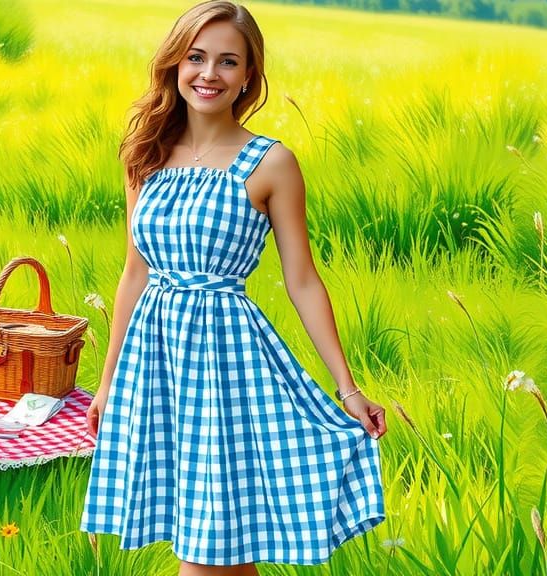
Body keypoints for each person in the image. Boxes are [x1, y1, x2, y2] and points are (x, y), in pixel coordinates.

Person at [79, 2, 388, 574]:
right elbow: (134, 273)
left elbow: (303, 280)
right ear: (174, 63)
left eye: (227, 62)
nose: (208, 74)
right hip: (156, 362)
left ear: (248, 75)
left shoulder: (270, 163)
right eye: (196, 57)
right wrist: (107, 384)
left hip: (225, 367)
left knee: (208, 548)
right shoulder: (144, 157)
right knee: (219, 549)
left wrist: (348, 390)